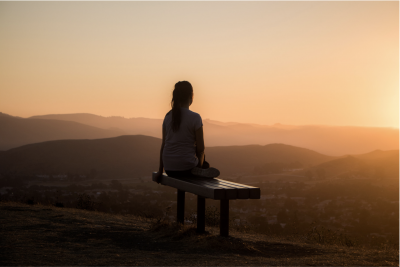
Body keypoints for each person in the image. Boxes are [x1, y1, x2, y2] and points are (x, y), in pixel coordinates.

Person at [154, 81, 220, 183]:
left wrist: (160, 171)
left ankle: (200, 169)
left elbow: (163, 146)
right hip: (187, 169)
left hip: (169, 169)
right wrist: (200, 166)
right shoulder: (195, 117)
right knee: (205, 163)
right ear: (191, 96)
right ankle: (201, 170)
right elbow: (201, 149)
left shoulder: (167, 117)